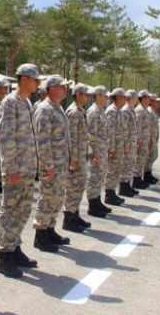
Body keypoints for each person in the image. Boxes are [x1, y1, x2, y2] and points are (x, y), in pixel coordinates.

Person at [0, 64, 41, 279]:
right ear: (24, 79)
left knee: (22, 211)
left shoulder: (27, 103)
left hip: (28, 167)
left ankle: (15, 247)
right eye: (34, 79)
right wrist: (11, 167)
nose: (37, 83)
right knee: (10, 211)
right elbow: (6, 137)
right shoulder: (10, 103)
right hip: (16, 169)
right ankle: (4, 256)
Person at [33, 75, 73, 253]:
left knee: (56, 198)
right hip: (51, 164)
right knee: (47, 199)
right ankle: (40, 235)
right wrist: (47, 165)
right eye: (62, 86)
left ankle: (50, 229)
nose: (65, 89)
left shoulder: (58, 108)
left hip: (61, 162)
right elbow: (42, 139)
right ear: (52, 89)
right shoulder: (44, 109)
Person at [63, 83, 93, 233]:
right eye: (86, 94)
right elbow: (71, 138)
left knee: (79, 187)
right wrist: (73, 159)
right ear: (78, 95)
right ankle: (68, 218)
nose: (88, 97)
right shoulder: (73, 112)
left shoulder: (80, 111)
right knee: (72, 188)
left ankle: (75, 214)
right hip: (75, 158)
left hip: (81, 156)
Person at [85, 86, 113, 218]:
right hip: (97, 151)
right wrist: (95, 152)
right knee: (94, 177)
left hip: (102, 150)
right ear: (98, 96)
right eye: (105, 96)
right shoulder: (93, 112)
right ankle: (92, 205)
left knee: (100, 177)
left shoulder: (101, 111)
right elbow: (91, 135)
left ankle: (97, 201)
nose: (107, 98)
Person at [104, 88, 127, 207]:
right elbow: (110, 132)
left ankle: (112, 191)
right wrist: (111, 148)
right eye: (123, 97)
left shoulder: (118, 110)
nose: (125, 99)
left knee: (117, 169)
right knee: (111, 170)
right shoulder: (111, 111)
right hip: (114, 147)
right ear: (117, 97)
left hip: (119, 146)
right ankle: (109, 194)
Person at [119, 89, 143, 198]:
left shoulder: (131, 109)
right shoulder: (125, 110)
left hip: (132, 142)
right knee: (126, 165)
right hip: (128, 143)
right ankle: (123, 187)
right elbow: (124, 128)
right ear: (132, 98)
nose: (137, 99)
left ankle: (127, 184)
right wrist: (126, 144)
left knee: (131, 164)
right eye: (136, 97)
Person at [134, 90, 153, 187]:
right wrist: (139, 140)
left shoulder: (145, 109)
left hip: (145, 140)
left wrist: (148, 140)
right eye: (148, 97)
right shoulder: (139, 110)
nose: (150, 99)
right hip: (141, 141)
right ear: (143, 98)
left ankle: (139, 178)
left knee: (143, 159)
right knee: (139, 159)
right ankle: (136, 180)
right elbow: (138, 126)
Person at [144, 94, 160, 183]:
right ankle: (145, 175)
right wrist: (149, 140)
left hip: (154, 138)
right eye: (156, 101)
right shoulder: (149, 112)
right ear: (151, 102)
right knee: (149, 157)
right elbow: (148, 127)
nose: (158, 103)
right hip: (150, 139)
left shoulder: (154, 112)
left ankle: (148, 173)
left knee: (153, 156)